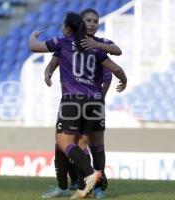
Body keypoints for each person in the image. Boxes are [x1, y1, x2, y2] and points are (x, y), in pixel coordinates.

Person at [29, 12, 127, 198]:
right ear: (80, 23)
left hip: (76, 100)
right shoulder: (91, 48)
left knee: (70, 142)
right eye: (88, 21)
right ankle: (77, 185)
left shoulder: (82, 42)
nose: (92, 24)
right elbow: (115, 67)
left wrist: (33, 36)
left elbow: (116, 52)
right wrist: (48, 71)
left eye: (95, 21)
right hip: (93, 100)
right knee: (77, 144)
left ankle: (91, 181)